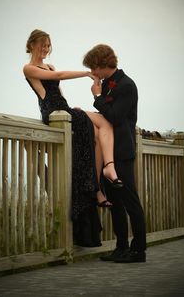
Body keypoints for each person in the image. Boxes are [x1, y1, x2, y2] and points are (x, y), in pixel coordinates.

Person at [23, 29, 122, 247]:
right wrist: (86, 73)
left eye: (48, 45)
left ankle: (102, 176)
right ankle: (97, 187)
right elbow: (56, 79)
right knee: (94, 127)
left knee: (100, 128)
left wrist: (71, 107)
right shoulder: (29, 68)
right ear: (31, 45)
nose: (45, 49)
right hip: (52, 112)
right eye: (42, 45)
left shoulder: (50, 65)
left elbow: (60, 91)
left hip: (64, 109)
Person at [83, 44, 147, 262]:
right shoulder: (110, 84)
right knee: (116, 203)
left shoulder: (127, 85)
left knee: (130, 201)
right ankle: (121, 248)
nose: (93, 73)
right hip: (109, 150)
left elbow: (115, 118)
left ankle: (138, 250)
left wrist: (97, 96)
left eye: (94, 68)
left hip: (122, 150)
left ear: (102, 65)